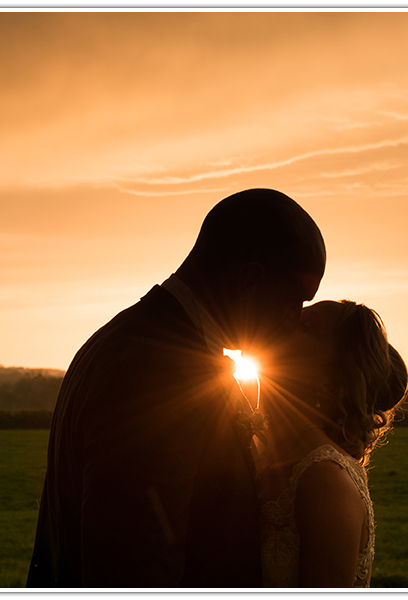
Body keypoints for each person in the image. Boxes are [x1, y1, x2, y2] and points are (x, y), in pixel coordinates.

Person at [26, 189, 326, 587]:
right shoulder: (158, 374)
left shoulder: (128, 340)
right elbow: (137, 570)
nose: (295, 320)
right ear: (251, 279)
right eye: (294, 300)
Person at [255, 300, 408, 587]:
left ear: (329, 379)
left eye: (305, 325)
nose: (284, 319)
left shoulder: (324, 477)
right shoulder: (258, 450)